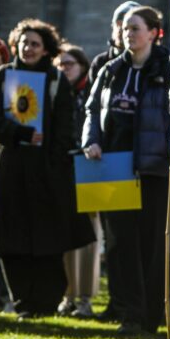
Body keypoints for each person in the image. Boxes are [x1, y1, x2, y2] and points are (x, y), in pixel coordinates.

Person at [0, 19, 92, 319]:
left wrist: (53, 159)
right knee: (11, 238)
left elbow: (66, 127)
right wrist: (22, 135)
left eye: (35, 44)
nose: (28, 48)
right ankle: (21, 303)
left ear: (46, 49)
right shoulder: (2, 76)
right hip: (8, 169)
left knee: (48, 239)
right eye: (24, 42)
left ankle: (45, 301)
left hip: (47, 172)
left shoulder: (57, 80)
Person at [83, 6, 170, 335]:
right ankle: (129, 313)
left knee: (151, 245)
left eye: (135, 28)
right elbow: (92, 109)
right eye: (124, 28)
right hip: (113, 167)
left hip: (152, 169)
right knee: (120, 244)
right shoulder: (110, 70)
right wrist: (90, 141)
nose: (128, 34)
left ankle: (151, 316)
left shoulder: (168, 68)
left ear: (154, 33)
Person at [54, 44, 100, 318]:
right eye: (60, 64)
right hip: (60, 168)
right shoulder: (54, 92)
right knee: (63, 235)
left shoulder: (90, 91)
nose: (64, 69)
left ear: (82, 65)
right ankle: (66, 294)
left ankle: (85, 297)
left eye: (69, 63)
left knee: (88, 237)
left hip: (88, 167)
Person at [88, 1, 140, 85]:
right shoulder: (101, 62)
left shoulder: (153, 62)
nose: (120, 30)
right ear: (112, 26)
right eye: (118, 24)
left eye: (127, 26)